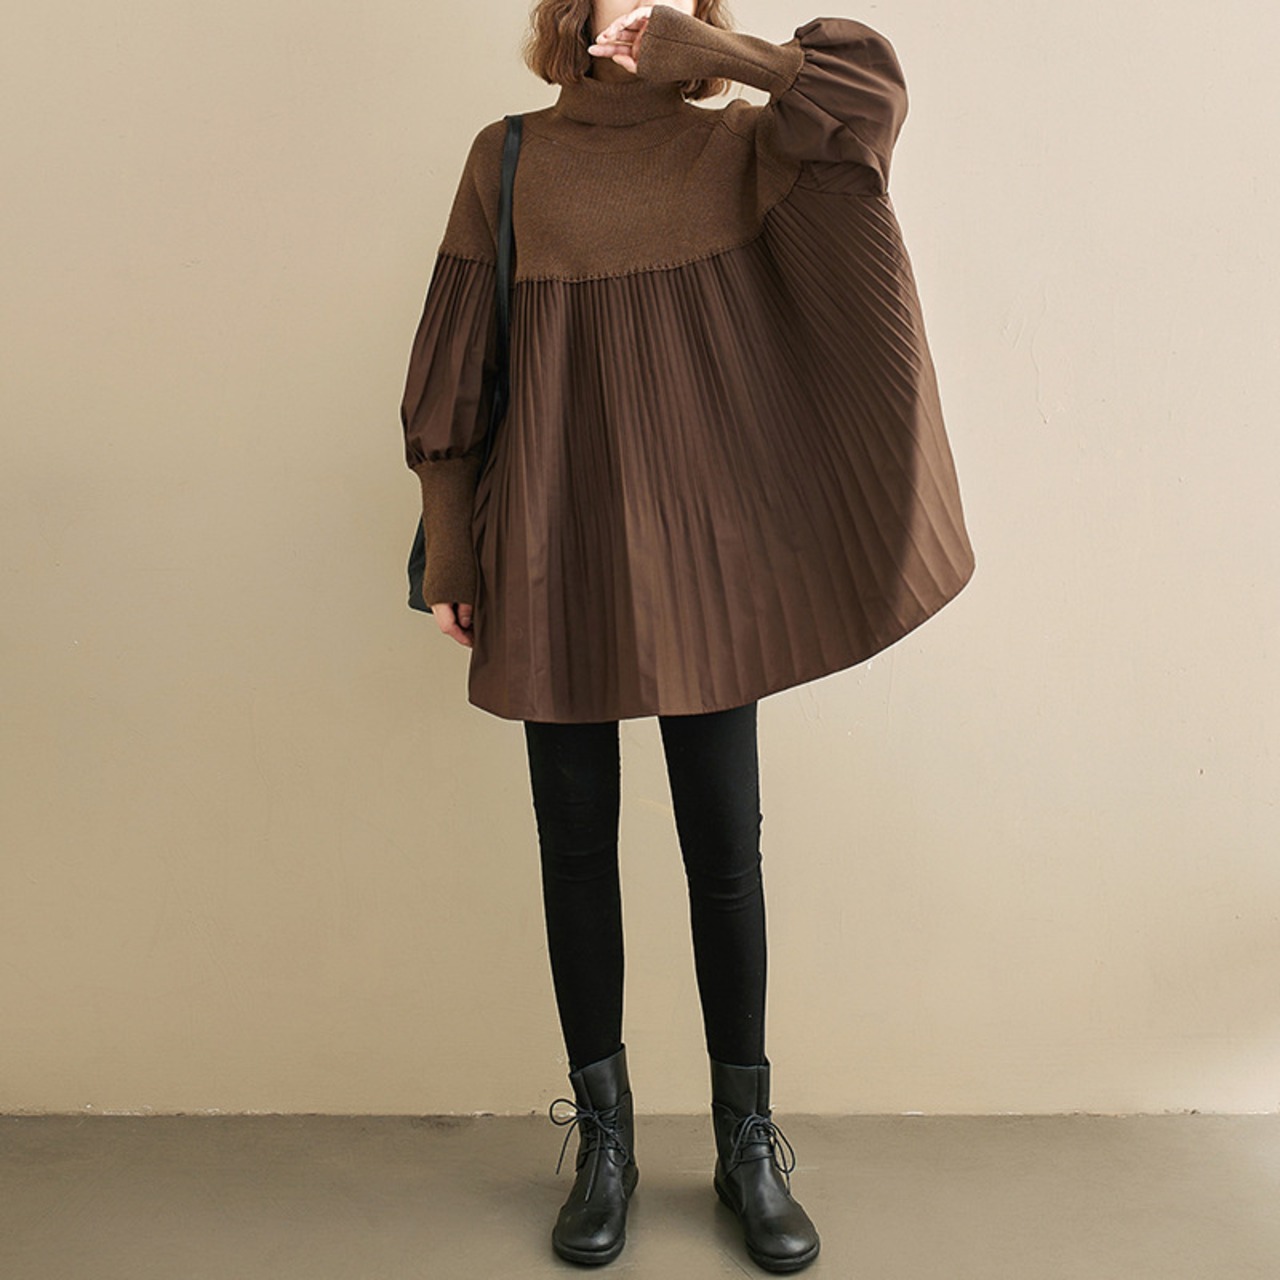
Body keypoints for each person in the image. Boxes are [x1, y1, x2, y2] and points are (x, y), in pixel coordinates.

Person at [398, 1, 975, 1271]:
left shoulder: (739, 148)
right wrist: (450, 545)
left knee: (723, 850)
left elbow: (863, 107)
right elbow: (456, 356)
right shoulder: (509, 158)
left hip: (706, 557)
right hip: (549, 540)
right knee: (574, 848)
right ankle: (603, 1144)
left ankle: (742, 1142)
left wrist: (721, 58)